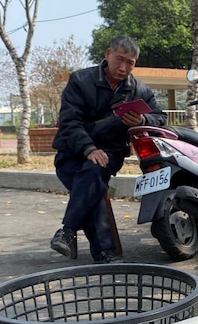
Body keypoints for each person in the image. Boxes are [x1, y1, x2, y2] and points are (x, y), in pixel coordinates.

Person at [50, 35, 167, 263]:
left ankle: (68, 231)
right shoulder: (80, 80)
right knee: (93, 183)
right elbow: (69, 122)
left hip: (110, 154)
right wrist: (89, 149)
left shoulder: (138, 89)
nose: (123, 68)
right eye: (119, 59)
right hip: (72, 154)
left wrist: (143, 119)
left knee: (93, 175)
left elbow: (161, 118)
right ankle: (105, 252)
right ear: (107, 54)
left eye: (130, 63)